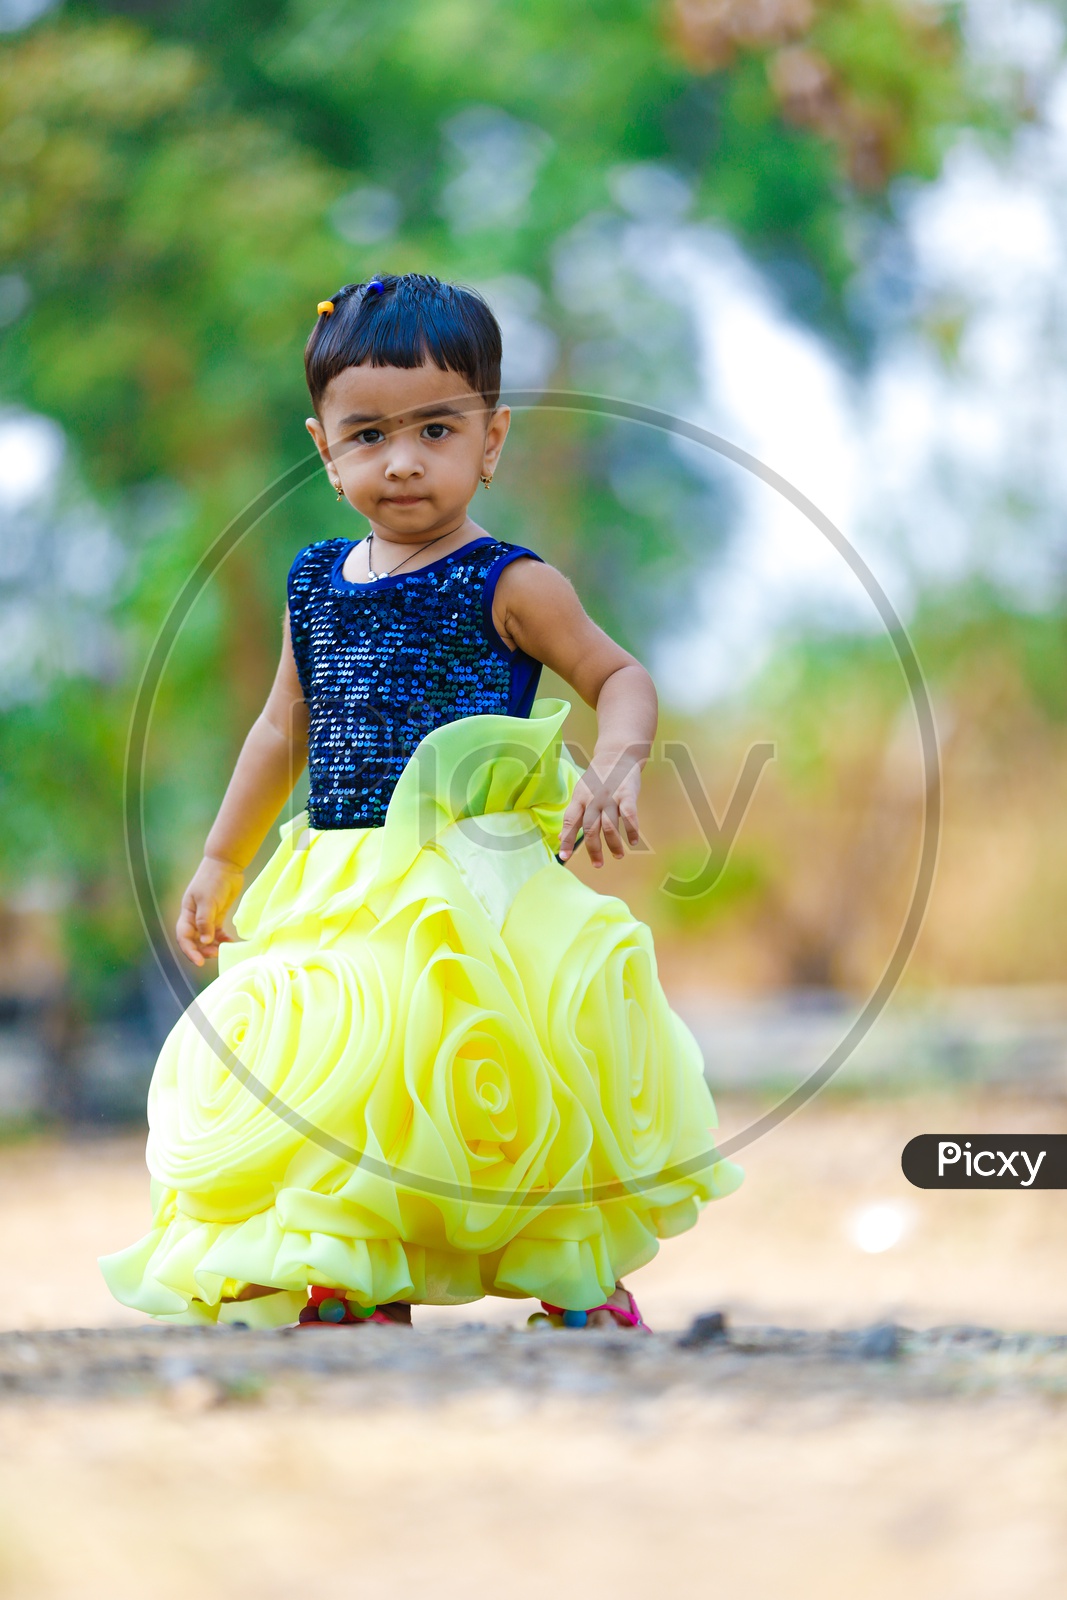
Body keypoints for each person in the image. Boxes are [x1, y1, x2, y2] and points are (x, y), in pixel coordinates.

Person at [99, 272, 744, 1333]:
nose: (401, 459)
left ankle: (570, 1270)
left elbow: (618, 675)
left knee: (493, 1071)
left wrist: (616, 762)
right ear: (323, 447)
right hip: (340, 874)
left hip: (468, 883)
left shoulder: (509, 581)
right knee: (341, 1067)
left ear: (488, 439)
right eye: (367, 435)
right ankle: (352, 1269)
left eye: (435, 428)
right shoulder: (313, 582)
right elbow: (280, 728)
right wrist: (222, 858)